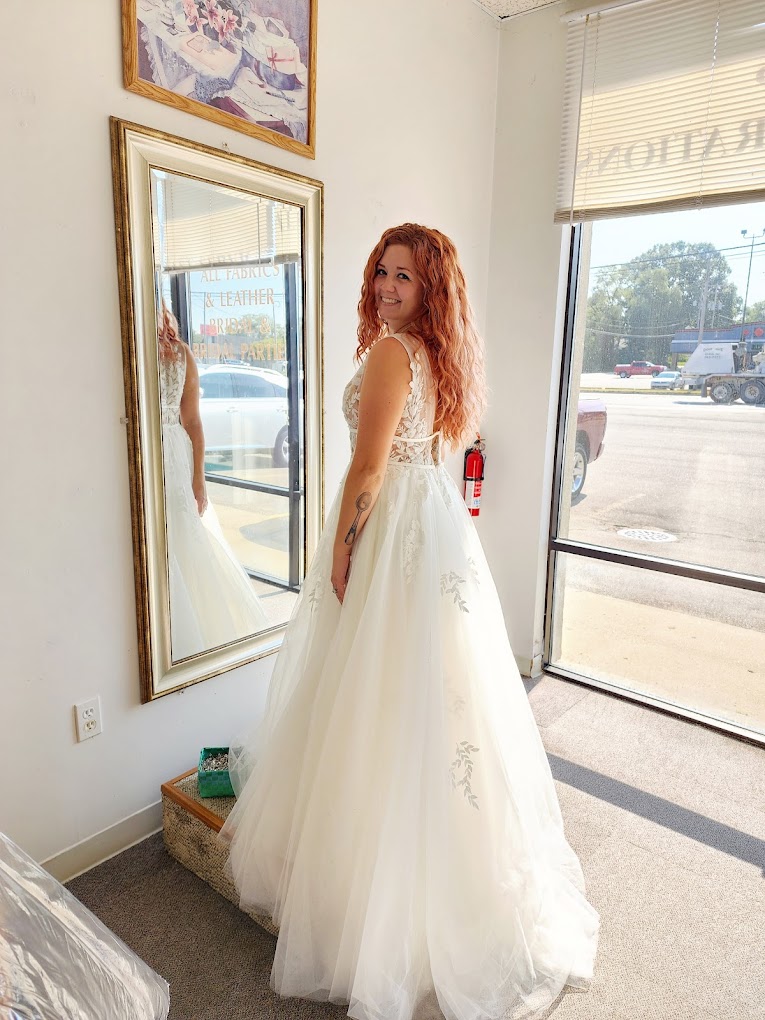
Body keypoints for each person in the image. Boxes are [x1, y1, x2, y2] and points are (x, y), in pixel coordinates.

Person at [220, 226, 599, 1020]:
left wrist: (341, 548)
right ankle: (432, 879)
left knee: (378, 692)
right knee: (432, 696)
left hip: (393, 525)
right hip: (433, 523)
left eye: (404, 276)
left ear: (430, 287)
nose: (387, 286)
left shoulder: (394, 353)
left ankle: (376, 901)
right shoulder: (435, 351)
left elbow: (366, 466)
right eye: (381, 272)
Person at [157, 305, 268, 660]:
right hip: (141, 453)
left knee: (182, 535)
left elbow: (193, 422)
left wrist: (199, 479)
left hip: (172, 454)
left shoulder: (180, 354)